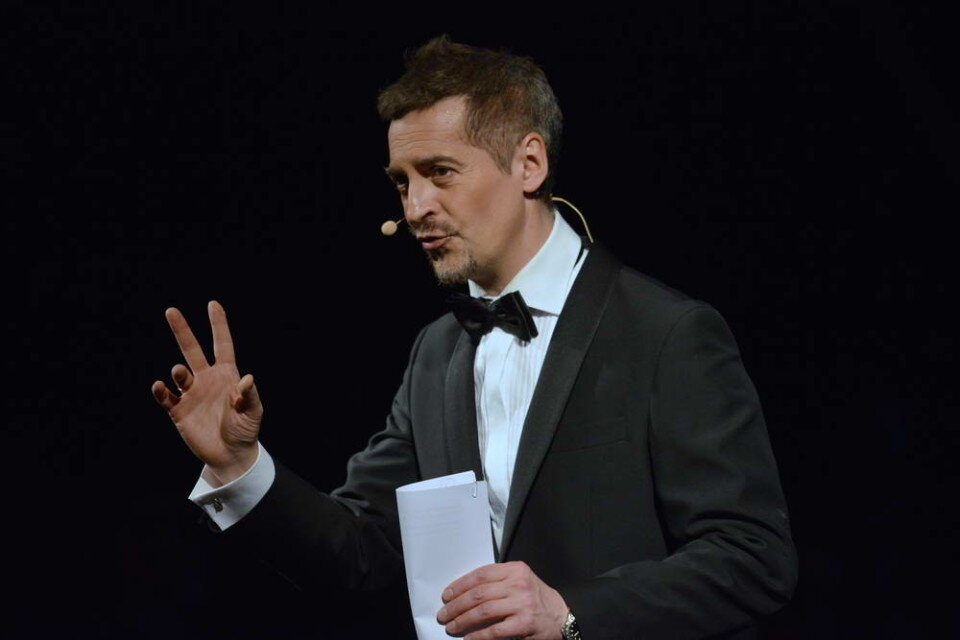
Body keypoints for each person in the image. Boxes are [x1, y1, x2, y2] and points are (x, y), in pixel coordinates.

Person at [151, 35, 797, 640]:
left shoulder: (666, 332)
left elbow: (753, 558)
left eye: (440, 173)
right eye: (402, 182)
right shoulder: (438, 352)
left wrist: (570, 614)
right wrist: (239, 466)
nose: (414, 209)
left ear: (529, 164)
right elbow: (359, 552)